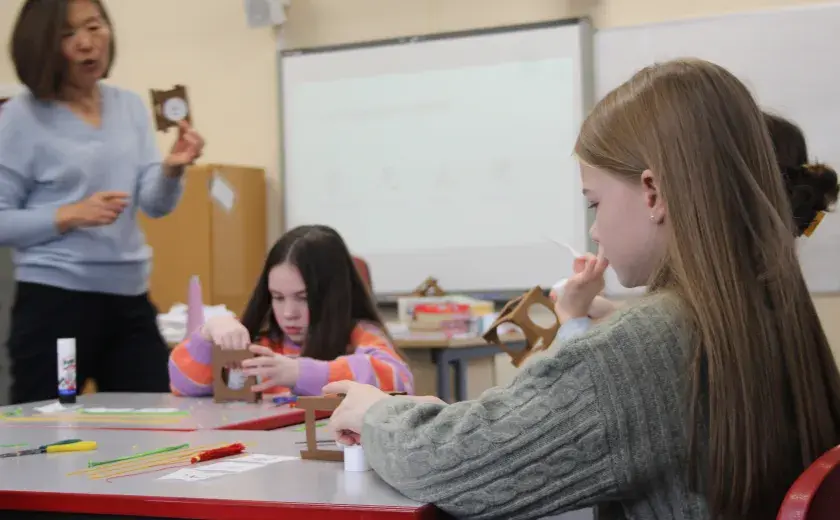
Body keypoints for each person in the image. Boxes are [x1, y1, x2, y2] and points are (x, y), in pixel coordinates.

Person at [322, 59, 840, 520]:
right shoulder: (771, 306)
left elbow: (455, 463)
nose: (594, 230)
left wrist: (376, 412)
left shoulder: (647, 347)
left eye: (594, 202)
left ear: (653, 192)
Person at [0, 0, 205, 404]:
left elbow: (154, 204)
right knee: (48, 431)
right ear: (41, 45)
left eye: (94, 27)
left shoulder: (128, 106)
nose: (86, 43)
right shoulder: (20, 118)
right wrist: (68, 214)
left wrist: (172, 169)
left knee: (152, 427)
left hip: (129, 300)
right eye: (67, 34)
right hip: (54, 305)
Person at [562, 111, 840, 323]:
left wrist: (571, 321)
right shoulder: (772, 301)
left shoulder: (705, 314)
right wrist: (612, 316)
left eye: (594, 204)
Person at [168, 225, 414, 397]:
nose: (288, 314)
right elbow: (183, 386)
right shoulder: (262, 342)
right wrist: (207, 334)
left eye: (303, 298)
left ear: (333, 297)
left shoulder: (359, 336)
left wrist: (298, 373)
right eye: (277, 297)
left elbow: (399, 382)